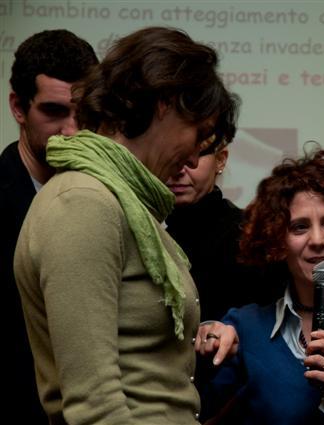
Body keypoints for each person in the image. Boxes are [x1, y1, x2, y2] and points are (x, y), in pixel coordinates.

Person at [13, 26, 239, 424]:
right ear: (166, 104)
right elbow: (94, 407)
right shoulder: (84, 203)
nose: (193, 158)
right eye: (199, 134)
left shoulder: (124, 201)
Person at [196, 148, 324, 424]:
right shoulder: (246, 328)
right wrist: (203, 350)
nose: (317, 240)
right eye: (299, 227)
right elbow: (194, 411)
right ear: (278, 241)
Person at [0, 29, 97, 423]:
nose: (71, 130)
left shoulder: (108, 197)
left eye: (82, 112)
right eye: (54, 112)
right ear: (18, 108)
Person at [165, 139, 283, 422]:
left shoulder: (252, 238)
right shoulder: (147, 235)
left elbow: (276, 339)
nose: (180, 169)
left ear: (221, 160)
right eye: (171, 154)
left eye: (196, 155)